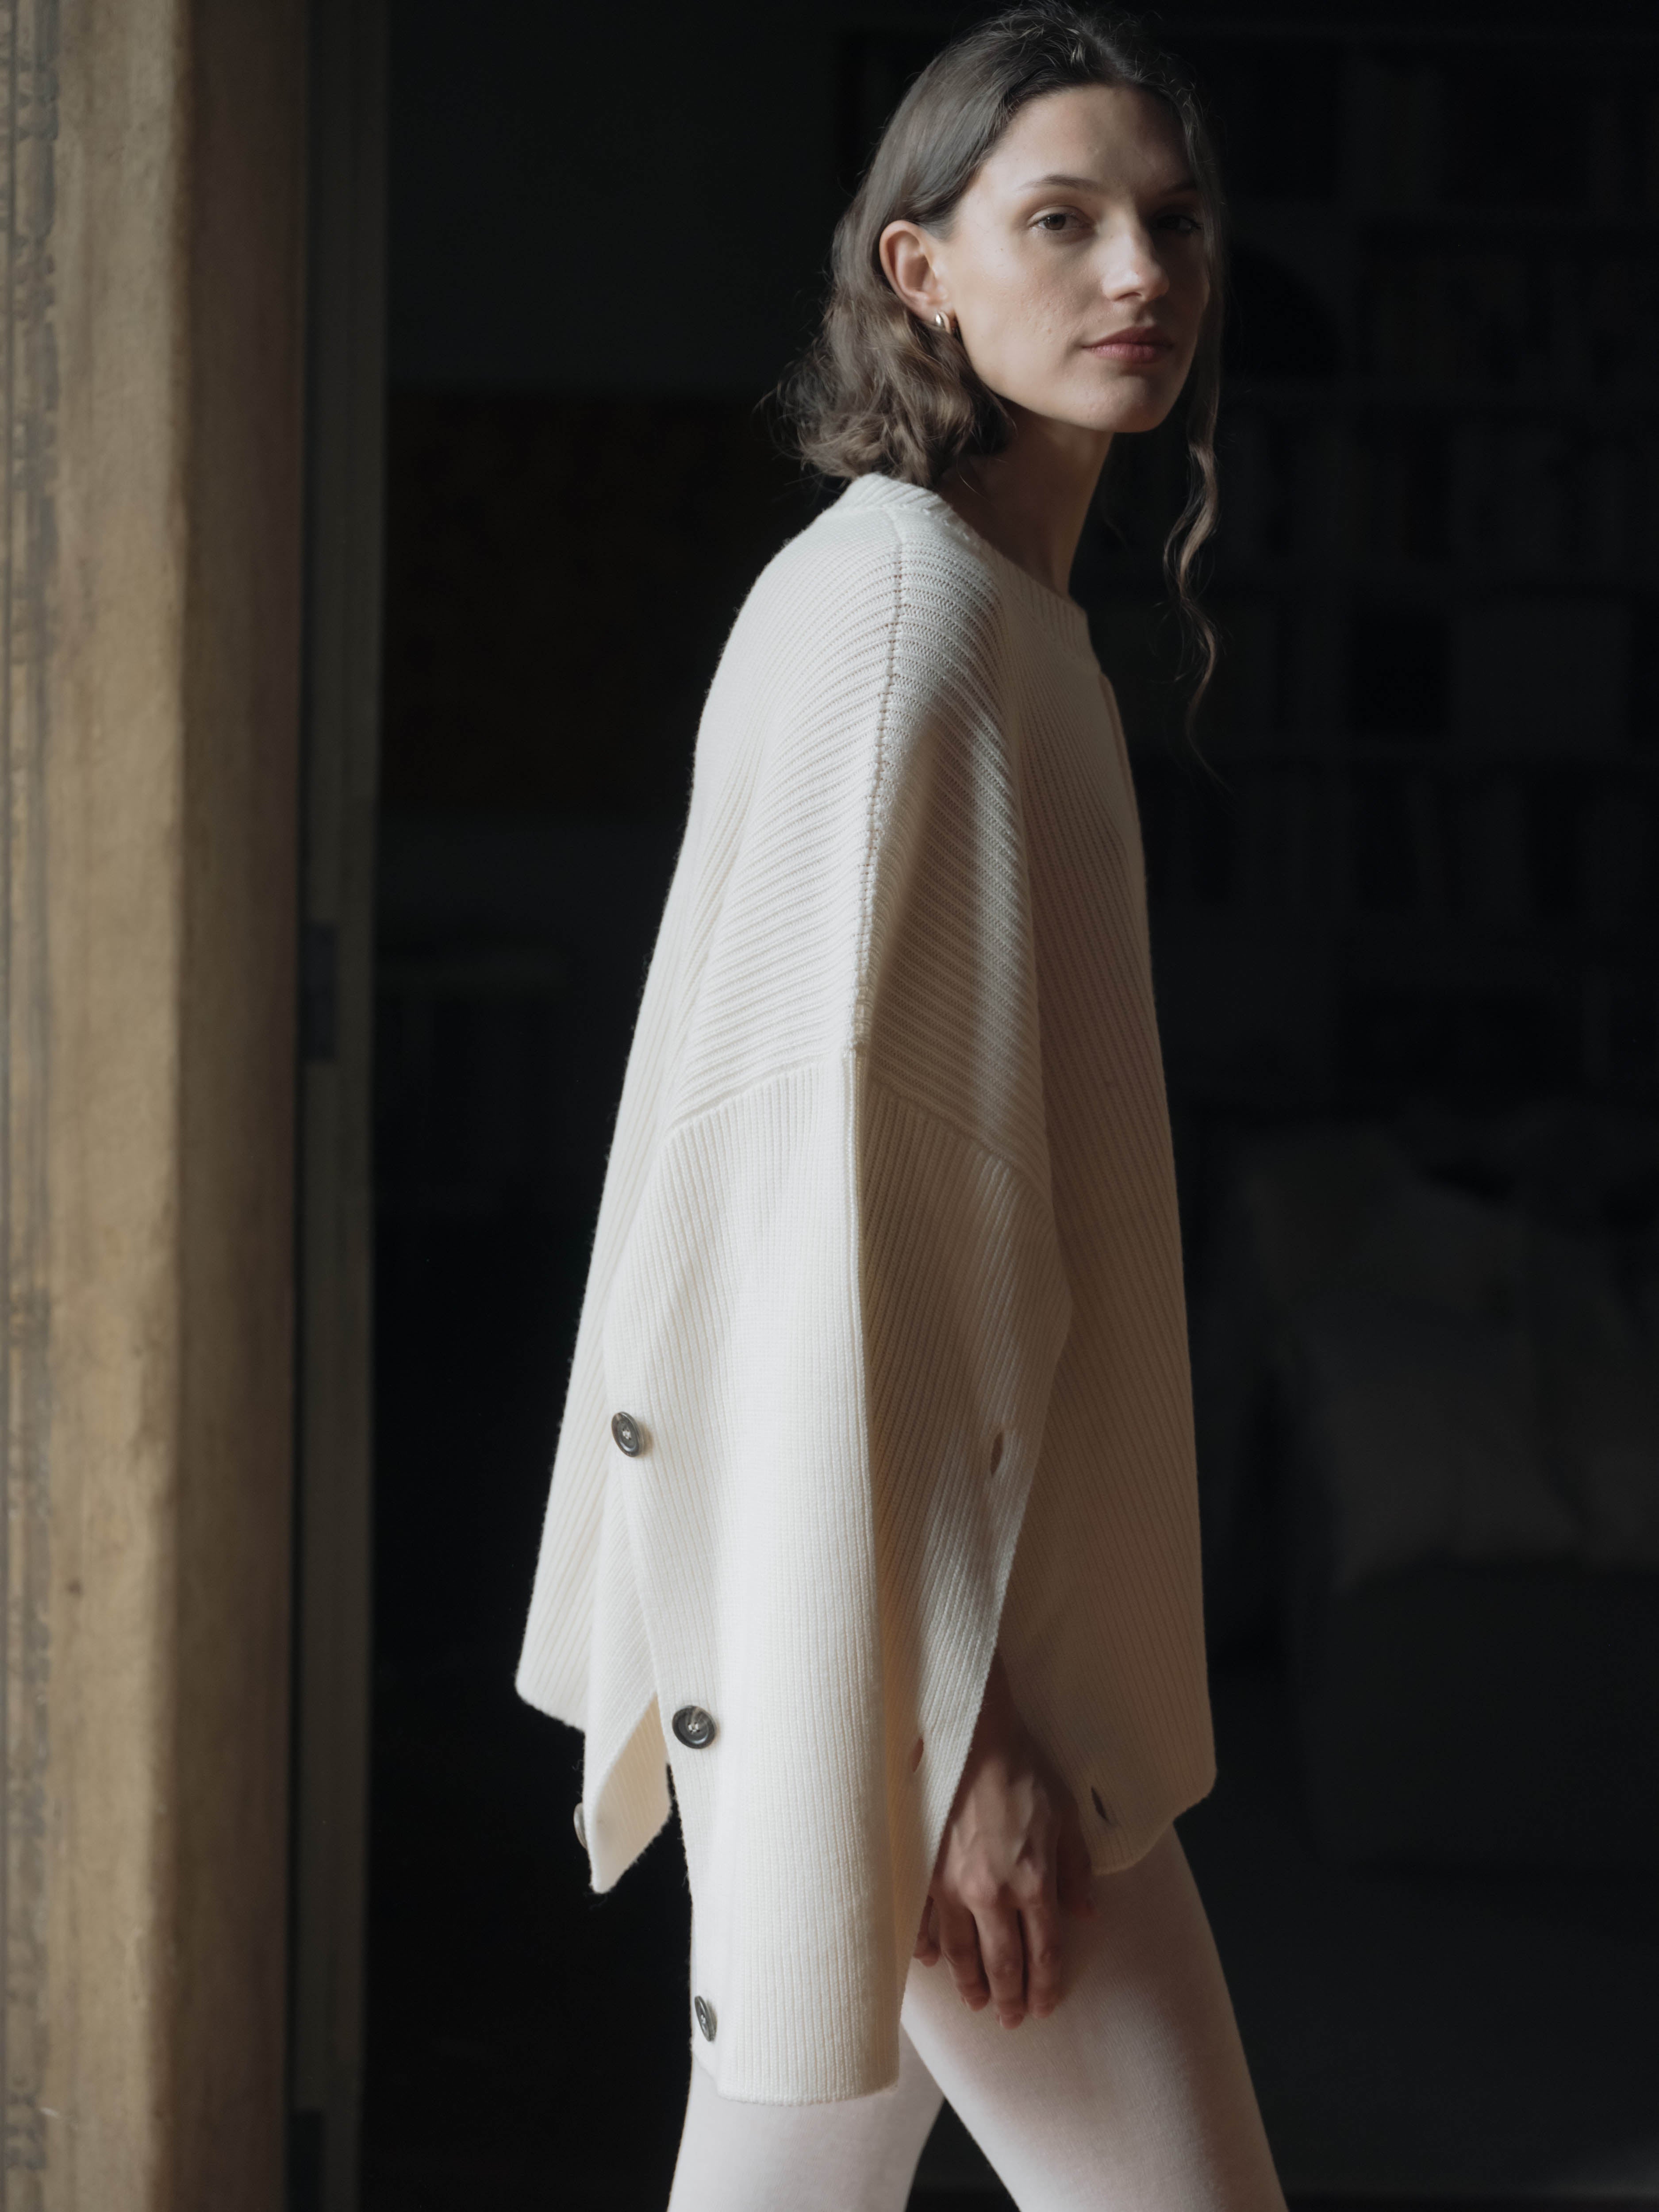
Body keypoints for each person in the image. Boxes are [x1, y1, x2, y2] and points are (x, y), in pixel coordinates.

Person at [515, 6, 1290, 2205]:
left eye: (1171, 217)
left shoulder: (992, 624)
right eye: (1062, 220)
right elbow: (813, 1224)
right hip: (939, 1677)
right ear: (916, 268)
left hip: (926, 1641)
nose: (1140, 270)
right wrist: (942, 1745)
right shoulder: (902, 635)